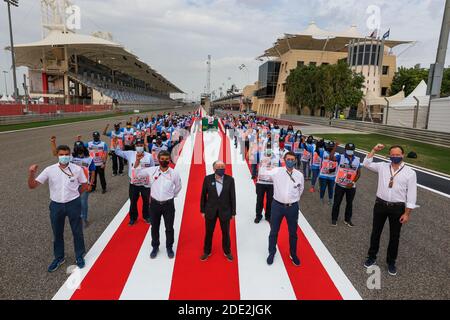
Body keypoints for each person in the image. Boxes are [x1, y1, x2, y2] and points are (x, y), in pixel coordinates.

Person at [28, 145, 88, 272]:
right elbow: (32, 186)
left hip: (73, 204)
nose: (64, 156)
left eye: (66, 154)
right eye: (61, 154)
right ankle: (59, 257)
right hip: (56, 205)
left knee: (77, 231)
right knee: (57, 232)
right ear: (57, 155)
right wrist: (32, 173)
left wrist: (75, 195)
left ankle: (79, 255)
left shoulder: (77, 169)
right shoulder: (49, 170)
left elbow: (84, 185)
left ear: (70, 155)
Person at [363, 144, 417, 276]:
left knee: (395, 236)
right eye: (392, 155)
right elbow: (366, 163)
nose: (395, 157)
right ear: (389, 155)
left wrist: (407, 213)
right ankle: (372, 257)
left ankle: (391, 261)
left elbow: (412, 195)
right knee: (376, 232)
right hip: (380, 205)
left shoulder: (410, 172)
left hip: (397, 208)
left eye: (398, 155)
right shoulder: (382, 166)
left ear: (403, 155)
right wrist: (374, 150)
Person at [133, 150, 182, 259]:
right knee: (154, 227)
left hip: (168, 205)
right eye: (162, 159)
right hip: (154, 205)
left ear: (169, 160)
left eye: (166, 159)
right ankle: (155, 246)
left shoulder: (174, 173)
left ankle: (169, 247)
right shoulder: (152, 171)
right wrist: (137, 161)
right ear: (158, 160)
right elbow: (137, 173)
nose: (164, 161)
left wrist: (171, 196)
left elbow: (178, 186)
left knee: (169, 227)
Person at [266, 152, 305, 266]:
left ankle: (293, 253)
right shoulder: (277, 171)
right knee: (274, 231)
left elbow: (300, 189)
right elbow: (264, 171)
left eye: (292, 159)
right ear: (284, 160)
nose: (290, 161)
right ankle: (272, 252)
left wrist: (293, 199)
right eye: (288, 159)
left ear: (295, 161)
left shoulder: (299, 175)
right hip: (277, 206)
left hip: (292, 207)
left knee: (293, 233)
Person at [51, 137, 96, 227]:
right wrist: (53, 143)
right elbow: (56, 154)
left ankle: (84, 219)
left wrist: (91, 183)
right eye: (77, 148)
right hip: (72, 184)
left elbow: (93, 172)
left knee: (83, 203)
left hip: (84, 185)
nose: (79, 150)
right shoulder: (70, 157)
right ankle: (76, 218)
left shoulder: (89, 159)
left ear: (83, 148)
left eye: (80, 148)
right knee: (73, 203)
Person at [200, 160, 236, 262]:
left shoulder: (230, 179)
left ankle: (227, 251)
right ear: (214, 168)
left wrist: (233, 212)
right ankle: (207, 251)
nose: (221, 168)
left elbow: (232, 197)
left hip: (225, 211)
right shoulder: (207, 179)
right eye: (219, 166)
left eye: (222, 166)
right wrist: (202, 210)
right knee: (209, 232)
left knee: (226, 232)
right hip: (210, 211)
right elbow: (203, 195)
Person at [114, 138, 155, 226]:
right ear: (135, 146)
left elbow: (153, 169)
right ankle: (133, 218)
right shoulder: (130, 154)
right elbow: (118, 152)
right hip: (134, 184)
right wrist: (117, 144)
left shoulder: (149, 156)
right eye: (137, 145)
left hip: (145, 183)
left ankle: (147, 216)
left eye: (141, 145)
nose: (139, 147)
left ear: (143, 146)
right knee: (133, 201)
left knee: (146, 201)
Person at [331, 143, 362, 227]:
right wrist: (335, 147)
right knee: (337, 202)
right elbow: (331, 158)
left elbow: (358, 173)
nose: (350, 151)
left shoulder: (357, 159)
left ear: (354, 150)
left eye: (351, 149)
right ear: (345, 149)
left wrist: (352, 183)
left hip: (351, 186)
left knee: (349, 203)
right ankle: (334, 219)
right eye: (348, 149)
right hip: (340, 185)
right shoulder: (340, 157)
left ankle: (347, 220)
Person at [255, 145, 278, 224]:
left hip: (271, 183)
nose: (269, 149)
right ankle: (258, 215)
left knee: (270, 200)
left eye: (270, 148)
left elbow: (279, 169)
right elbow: (250, 157)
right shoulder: (260, 154)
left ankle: (268, 216)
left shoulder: (276, 157)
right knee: (259, 200)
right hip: (261, 182)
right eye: (267, 147)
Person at [318, 141, 339, 205]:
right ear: (327, 147)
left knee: (331, 189)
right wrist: (320, 144)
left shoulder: (337, 154)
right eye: (329, 147)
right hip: (323, 175)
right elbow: (317, 150)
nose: (330, 148)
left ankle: (330, 200)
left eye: (332, 147)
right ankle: (321, 198)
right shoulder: (322, 152)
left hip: (332, 176)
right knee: (323, 188)